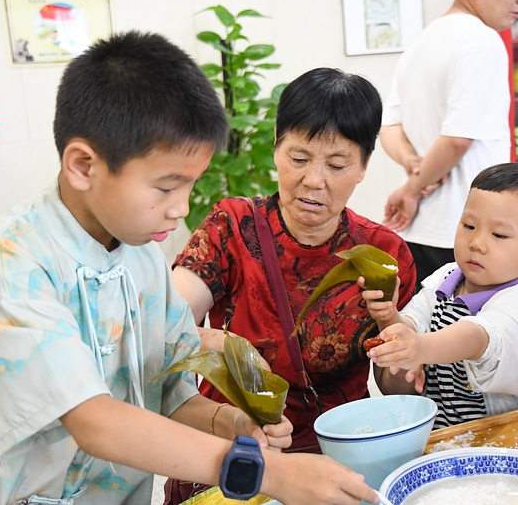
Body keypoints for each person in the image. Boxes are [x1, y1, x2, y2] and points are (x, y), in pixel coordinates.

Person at [0, 32, 378, 505]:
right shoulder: (7, 259)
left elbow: (169, 393)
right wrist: (272, 474)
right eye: (166, 188)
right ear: (83, 165)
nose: (181, 210)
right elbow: (95, 421)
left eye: (190, 187)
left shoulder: (140, 255)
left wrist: (230, 424)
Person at [172, 68, 417, 454]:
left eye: (337, 165)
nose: (314, 180)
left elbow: (395, 387)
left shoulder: (384, 253)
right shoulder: (231, 228)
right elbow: (163, 324)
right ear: (275, 146)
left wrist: (395, 328)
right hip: (235, 441)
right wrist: (224, 343)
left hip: (340, 448)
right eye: (299, 158)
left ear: (364, 166)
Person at [379, 0, 518, 326]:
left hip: (422, 234)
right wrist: (414, 185)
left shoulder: (421, 42)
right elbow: (457, 140)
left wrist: (412, 165)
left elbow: (389, 126)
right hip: (481, 239)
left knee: (433, 361)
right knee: (497, 360)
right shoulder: (482, 40)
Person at [362, 163, 518, 429]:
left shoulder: (516, 311)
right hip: (444, 434)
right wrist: (390, 316)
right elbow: (413, 321)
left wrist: (420, 347)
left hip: (500, 441)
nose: (476, 242)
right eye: (468, 225)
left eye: (498, 234)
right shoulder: (446, 277)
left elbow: (476, 337)